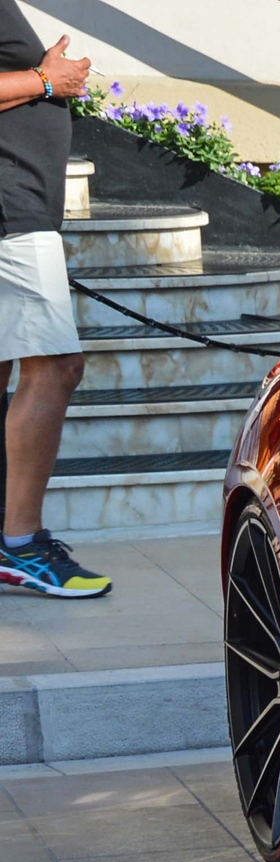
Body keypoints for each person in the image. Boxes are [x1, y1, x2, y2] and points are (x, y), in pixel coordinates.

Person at [0, 9, 100, 598]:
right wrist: (45, 82)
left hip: (16, 205)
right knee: (56, 368)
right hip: (14, 209)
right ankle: (21, 544)